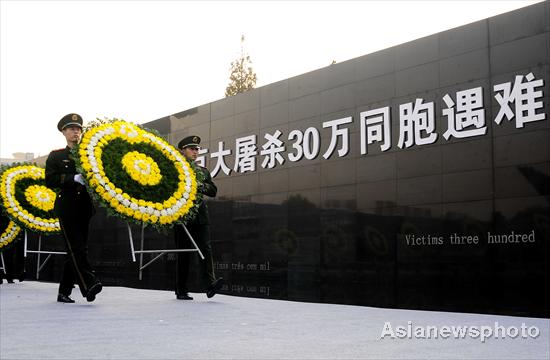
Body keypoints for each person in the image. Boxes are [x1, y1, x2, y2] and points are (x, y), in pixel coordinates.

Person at [45, 113, 102, 303]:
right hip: (67, 205)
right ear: (64, 132)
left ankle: (64, 292)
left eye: (78, 129)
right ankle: (89, 285)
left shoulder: (89, 154)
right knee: (75, 247)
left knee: (78, 249)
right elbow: (50, 180)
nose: (75, 132)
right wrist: (72, 179)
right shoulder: (57, 156)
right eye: (71, 129)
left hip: (84, 206)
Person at [174, 135, 224, 300]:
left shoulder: (202, 171)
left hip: (200, 217)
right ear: (182, 150)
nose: (195, 152)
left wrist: (199, 184)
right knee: (184, 253)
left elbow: (213, 190)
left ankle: (210, 284)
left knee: (205, 250)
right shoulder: (174, 169)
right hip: (181, 216)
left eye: (197, 149)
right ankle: (181, 289)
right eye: (191, 149)